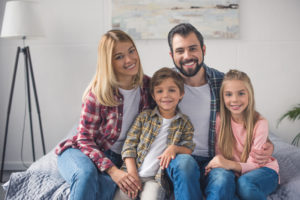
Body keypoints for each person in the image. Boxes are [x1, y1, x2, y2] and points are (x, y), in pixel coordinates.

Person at [165, 23, 275, 200]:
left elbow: (247, 119)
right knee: (185, 165)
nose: (187, 56)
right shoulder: (163, 86)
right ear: (172, 55)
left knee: (223, 178)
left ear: (203, 49)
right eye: (180, 51)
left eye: (193, 48)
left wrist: (269, 144)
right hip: (181, 158)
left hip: (215, 159)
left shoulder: (222, 82)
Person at [55, 30, 154, 200]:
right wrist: (112, 170)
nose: (129, 60)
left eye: (131, 51)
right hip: (82, 151)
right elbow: (84, 139)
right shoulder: (98, 94)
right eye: (119, 56)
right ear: (109, 62)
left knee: (108, 187)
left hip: (119, 157)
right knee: (86, 175)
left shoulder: (148, 87)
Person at [114, 67, 195, 200]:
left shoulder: (184, 122)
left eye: (172, 90)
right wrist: (133, 174)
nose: (166, 95)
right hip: (131, 173)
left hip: (156, 179)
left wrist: (174, 148)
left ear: (181, 93)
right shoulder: (144, 117)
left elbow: (189, 148)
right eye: (160, 91)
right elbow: (129, 146)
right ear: (153, 95)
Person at [205, 69, 279, 200]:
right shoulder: (218, 120)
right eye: (228, 94)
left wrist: (229, 164)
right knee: (227, 187)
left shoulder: (260, 123)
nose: (235, 99)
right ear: (222, 97)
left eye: (241, 93)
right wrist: (219, 164)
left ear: (249, 95)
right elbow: (219, 156)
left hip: (263, 171)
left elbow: (255, 164)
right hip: (236, 172)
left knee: (244, 184)